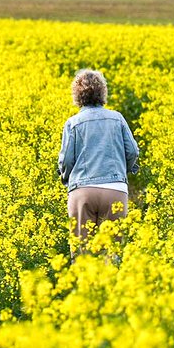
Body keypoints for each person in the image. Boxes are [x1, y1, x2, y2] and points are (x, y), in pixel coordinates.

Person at [57, 69, 140, 244]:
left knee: (82, 253)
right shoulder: (117, 118)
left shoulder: (72, 123)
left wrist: (67, 179)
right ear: (103, 92)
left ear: (77, 95)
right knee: (112, 252)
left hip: (82, 191)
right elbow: (132, 151)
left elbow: (67, 160)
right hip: (115, 190)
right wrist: (121, 170)